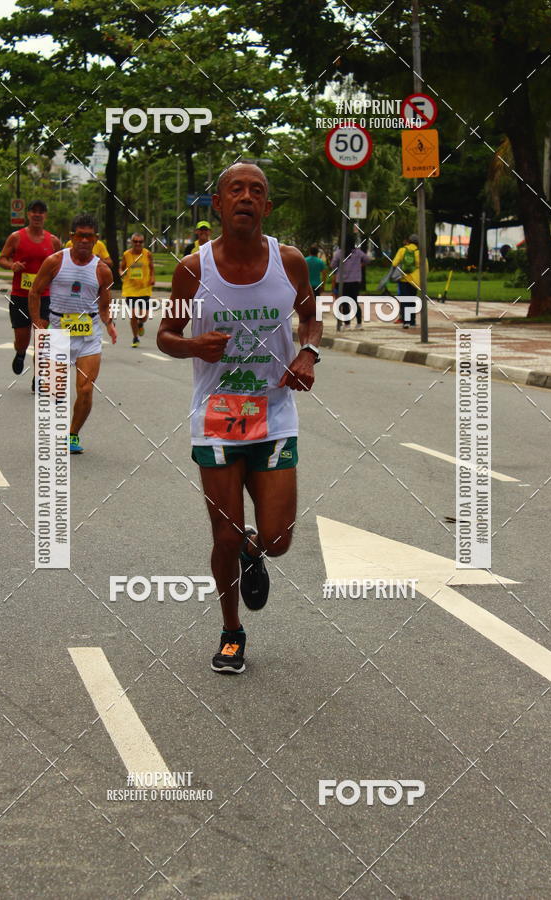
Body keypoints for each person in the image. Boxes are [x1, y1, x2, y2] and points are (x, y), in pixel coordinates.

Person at [157, 162, 322, 675]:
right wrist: (192, 345)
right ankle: (231, 630)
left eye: (257, 191)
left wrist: (308, 354)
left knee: (278, 540)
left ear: (267, 207)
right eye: (236, 190)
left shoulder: (289, 262)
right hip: (218, 417)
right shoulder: (192, 269)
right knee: (223, 537)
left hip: (273, 416)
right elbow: (165, 335)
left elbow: (311, 319)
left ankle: (256, 548)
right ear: (219, 205)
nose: (246, 197)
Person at [28, 213, 117, 454]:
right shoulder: (55, 261)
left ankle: (72, 435)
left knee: (86, 389)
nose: (85, 241)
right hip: (58, 333)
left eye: (89, 237)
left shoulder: (102, 270)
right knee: (55, 391)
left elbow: (104, 305)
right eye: (80, 236)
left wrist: (109, 324)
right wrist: (37, 323)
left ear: (96, 239)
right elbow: (35, 291)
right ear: (72, 237)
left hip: (88, 336)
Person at [0, 200, 61, 387]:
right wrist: (12, 265)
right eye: (34, 211)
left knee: (42, 338)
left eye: (41, 212)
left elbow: (61, 263)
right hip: (20, 296)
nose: (37, 215)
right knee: (22, 338)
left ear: (45, 216)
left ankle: (39, 377)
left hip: (44, 296)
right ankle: (20, 353)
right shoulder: (16, 237)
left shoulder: (53, 241)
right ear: (28, 215)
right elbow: (2, 258)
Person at [120, 233, 155, 347]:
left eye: (140, 241)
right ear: (131, 242)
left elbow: (151, 267)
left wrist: (152, 277)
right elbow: (121, 267)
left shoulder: (147, 254)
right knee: (134, 315)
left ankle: (140, 324)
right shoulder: (127, 254)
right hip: (130, 289)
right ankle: (135, 338)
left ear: (143, 242)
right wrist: (121, 273)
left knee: (144, 316)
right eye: (135, 241)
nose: (138, 244)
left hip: (144, 289)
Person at [391, 234, 427, 329]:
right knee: (412, 300)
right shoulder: (419, 252)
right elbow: (425, 266)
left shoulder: (402, 250)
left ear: (408, 241)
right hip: (414, 280)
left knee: (404, 300)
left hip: (403, 279)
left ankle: (406, 321)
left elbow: (394, 263)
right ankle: (412, 321)